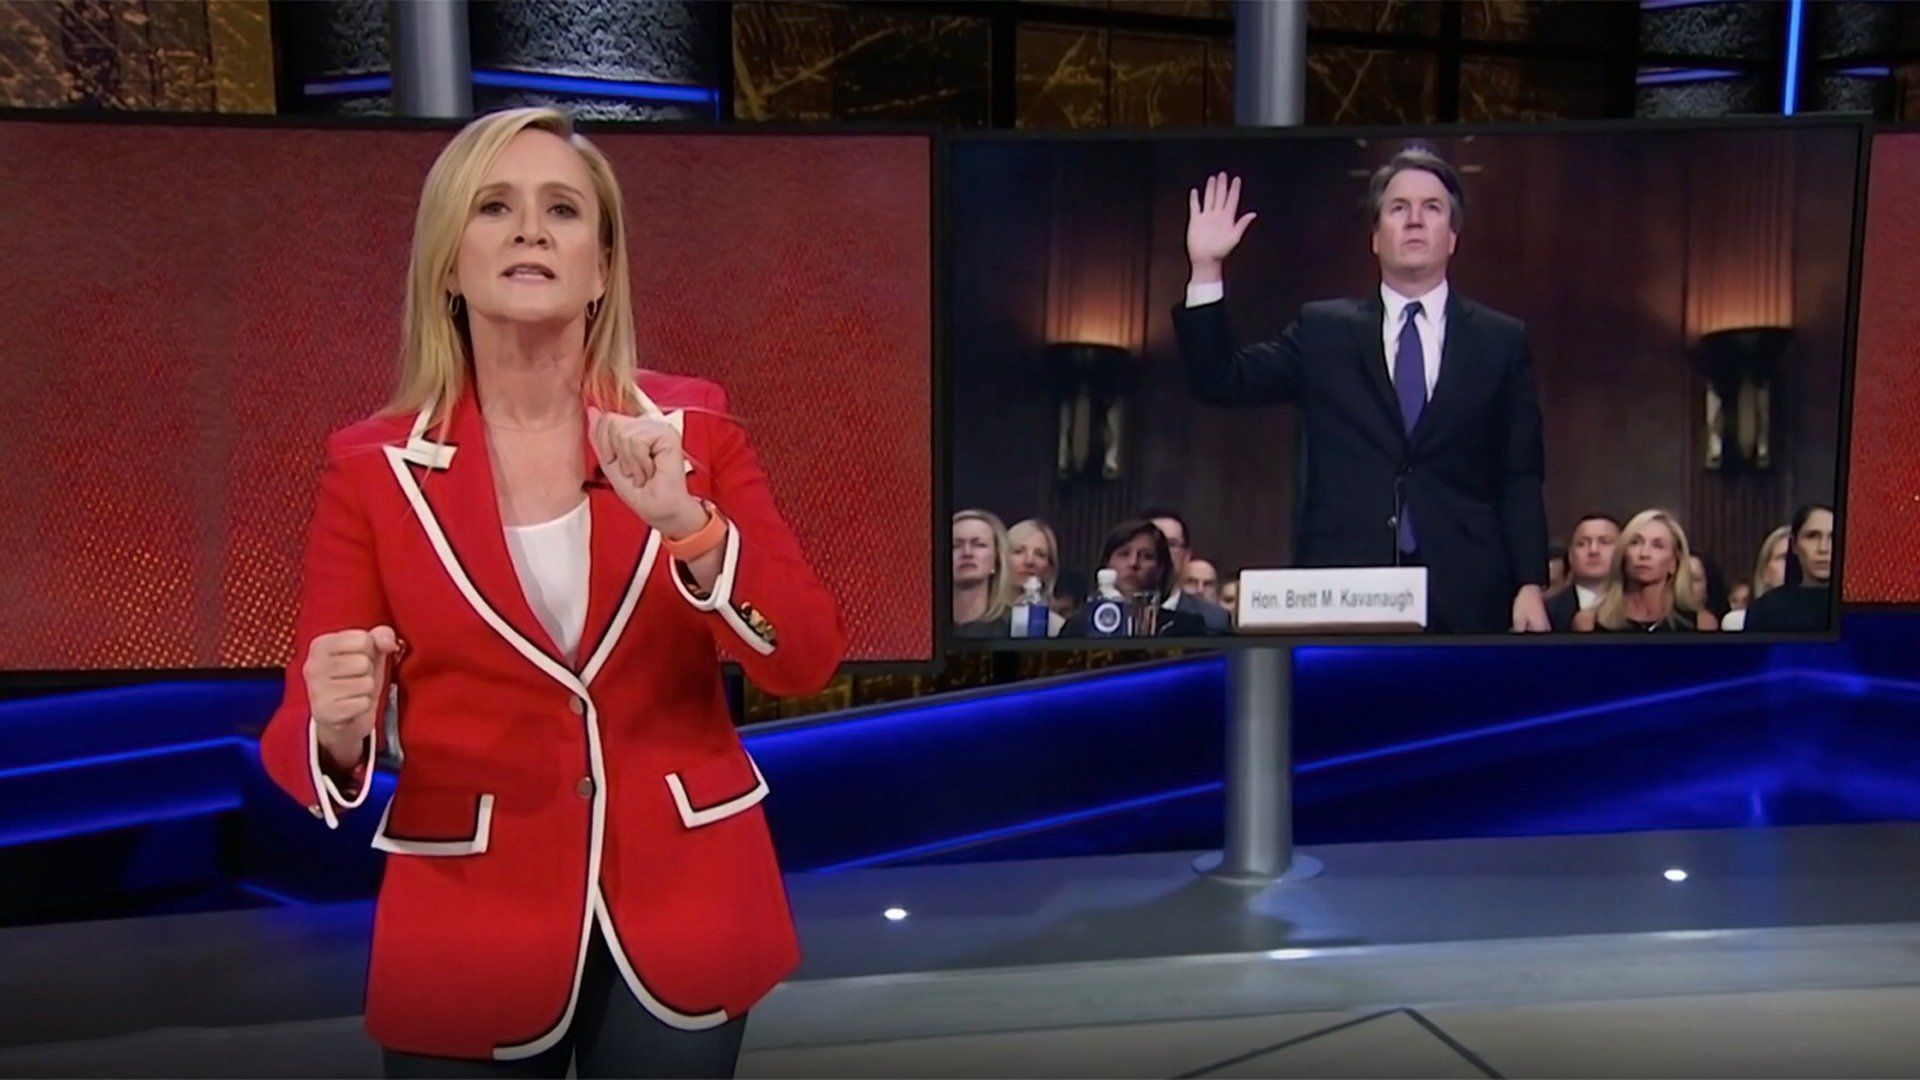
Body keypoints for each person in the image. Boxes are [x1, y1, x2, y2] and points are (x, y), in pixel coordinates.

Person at [258, 108, 845, 1077]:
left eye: (562, 210)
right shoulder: (371, 469)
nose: (530, 230)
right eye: (494, 206)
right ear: (448, 263)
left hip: (686, 902)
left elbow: (807, 656)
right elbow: (299, 731)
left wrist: (691, 527)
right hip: (471, 922)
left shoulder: (692, 432)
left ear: (601, 268)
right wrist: (337, 729)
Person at [1174, 148, 1551, 635]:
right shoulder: (1324, 331)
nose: (1414, 220)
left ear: (1452, 237)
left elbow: (1520, 473)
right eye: (1398, 208)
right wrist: (1206, 269)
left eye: (1432, 208)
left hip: (1467, 592)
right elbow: (1221, 379)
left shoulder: (1501, 340)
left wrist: (1529, 584)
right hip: (1346, 588)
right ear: (1375, 237)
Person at [1572, 509, 1716, 633]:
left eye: (1657, 545)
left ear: (1673, 563)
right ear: (1623, 554)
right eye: (1635, 542)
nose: (1644, 554)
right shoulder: (1588, 622)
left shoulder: (1701, 623)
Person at [1062, 519, 1208, 637]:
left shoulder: (1186, 627)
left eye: (1147, 556)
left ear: (1160, 569)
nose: (1133, 563)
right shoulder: (1079, 625)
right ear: (1107, 563)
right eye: (1124, 554)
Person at [1742, 504, 1834, 633]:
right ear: (1794, 544)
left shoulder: (1855, 609)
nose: (1823, 548)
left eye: (1833, 537)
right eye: (1812, 536)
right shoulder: (1766, 609)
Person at [1142, 508, 1232, 632]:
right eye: (1154, 543)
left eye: (1171, 544)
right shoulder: (1117, 613)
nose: (1162, 551)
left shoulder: (1213, 619)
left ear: (1186, 556)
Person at [1544, 513, 1620, 631]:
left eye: (1604, 542)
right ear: (1570, 555)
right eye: (1582, 543)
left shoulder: (1641, 609)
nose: (1593, 550)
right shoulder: (1545, 613)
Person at [952, 509, 1017, 639]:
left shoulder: (1015, 627)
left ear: (997, 559)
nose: (967, 553)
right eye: (955, 546)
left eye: (979, 545)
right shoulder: (925, 624)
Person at [1720, 525, 1790, 632]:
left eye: (1798, 558)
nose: (1792, 564)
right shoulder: (1739, 622)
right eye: (1784, 557)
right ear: (1765, 572)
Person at [1006, 517, 1068, 637]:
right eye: (1018, 551)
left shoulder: (1057, 628)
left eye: (1040, 554)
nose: (1029, 561)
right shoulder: (978, 618)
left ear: (1049, 569)